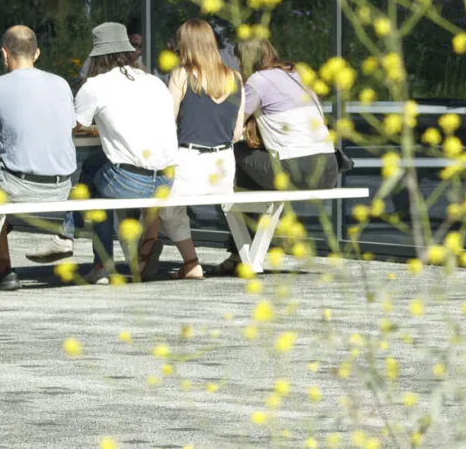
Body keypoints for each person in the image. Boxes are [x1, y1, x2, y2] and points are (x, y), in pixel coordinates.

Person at [57, 22, 176, 284]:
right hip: (167, 181)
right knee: (97, 165)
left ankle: (79, 243)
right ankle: (84, 242)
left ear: (96, 55)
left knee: (93, 177)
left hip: (129, 181)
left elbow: (76, 125)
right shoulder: (154, 81)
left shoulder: (95, 86)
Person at [0, 24, 77, 290]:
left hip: (19, 188)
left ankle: (3, 266)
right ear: (37, 54)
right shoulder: (61, 84)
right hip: (62, 189)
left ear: (4, 53)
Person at [143, 18, 241, 281]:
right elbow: (237, 133)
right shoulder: (236, 78)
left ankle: (191, 262)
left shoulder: (182, 74)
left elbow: (167, 121)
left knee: (166, 208)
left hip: (190, 162)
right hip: (224, 164)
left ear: (184, 45)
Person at [234, 36, 337, 193]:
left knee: (238, 150)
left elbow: (233, 128)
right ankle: (268, 214)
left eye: (240, 60)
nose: (239, 65)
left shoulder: (257, 81)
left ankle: (253, 214)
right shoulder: (297, 75)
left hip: (297, 170)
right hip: (329, 170)